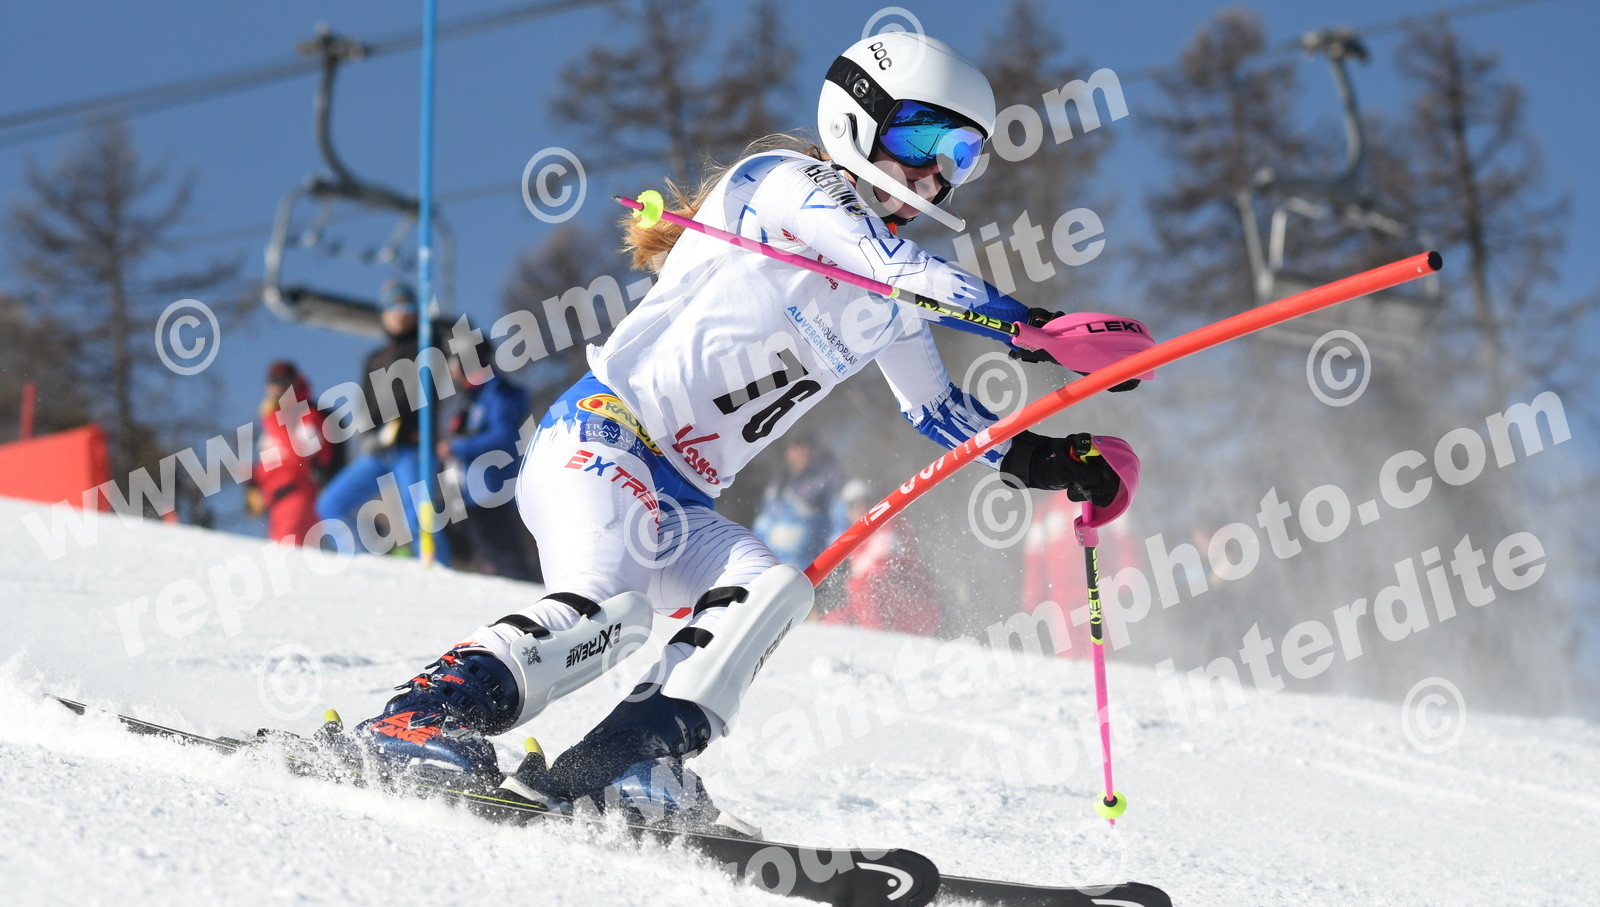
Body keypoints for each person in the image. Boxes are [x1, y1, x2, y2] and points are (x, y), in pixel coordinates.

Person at [347, 32, 1133, 831]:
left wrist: (1049, 458)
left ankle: (620, 762)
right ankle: (418, 718)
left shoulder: (890, 295)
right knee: (606, 615)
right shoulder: (786, 184)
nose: (934, 171)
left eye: (960, 154)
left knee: (772, 589)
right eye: (922, 137)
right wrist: (1035, 326)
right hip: (602, 439)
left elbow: (936, 409)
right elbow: (894, 268)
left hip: (680, 501)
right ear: (857, 117)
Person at [315, 280, 450, 564]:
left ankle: (437, 567)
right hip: (381, 451)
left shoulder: (426, 344)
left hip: (414, 448)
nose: (400, 313)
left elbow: (419, 389)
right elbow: (365, 404)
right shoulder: (375, 359)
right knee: (331, 503)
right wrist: (366, 435)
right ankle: (359, 563)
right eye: (392, 306)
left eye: (407, 306)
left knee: (419, 515)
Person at [439, 350, 539, 581]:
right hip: (473, 490)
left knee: (505, 555)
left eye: (457, 369)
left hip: (492, 489)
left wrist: (457, 447)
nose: (454, 376)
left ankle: (526, 590)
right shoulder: (474, 397)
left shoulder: (499, 394)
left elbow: (503, 438)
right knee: (486, 550)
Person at [821, 480, 942, 635]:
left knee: (862, 587)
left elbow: (879, 570)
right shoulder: (859, 538)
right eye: (852, 505)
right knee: (833, 620)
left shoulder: (889, 524)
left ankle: (875, 641)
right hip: (885, 608)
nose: (859, 508)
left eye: (864, 502)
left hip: (916, 607)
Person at [246, 361, 331, 545]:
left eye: (283, 382)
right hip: (275, 505)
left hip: (299, 499)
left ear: (294, 384)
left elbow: (301, 457)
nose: (277, 388)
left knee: (289, 555)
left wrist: (273, 421)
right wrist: (253, 481)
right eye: (273, 382)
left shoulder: (308, 414)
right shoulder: (273, 422)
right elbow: (271, 462)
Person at [751, 432, 845, 569]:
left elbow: (838, 517)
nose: (801, 452)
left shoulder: (823, 480)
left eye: (804, 447)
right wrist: (755, 553)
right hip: (775, 563)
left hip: (809, 563)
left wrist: (836, 551)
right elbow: (764, 521)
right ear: (788, 453)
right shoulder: (778, 483)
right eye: (796, 447)